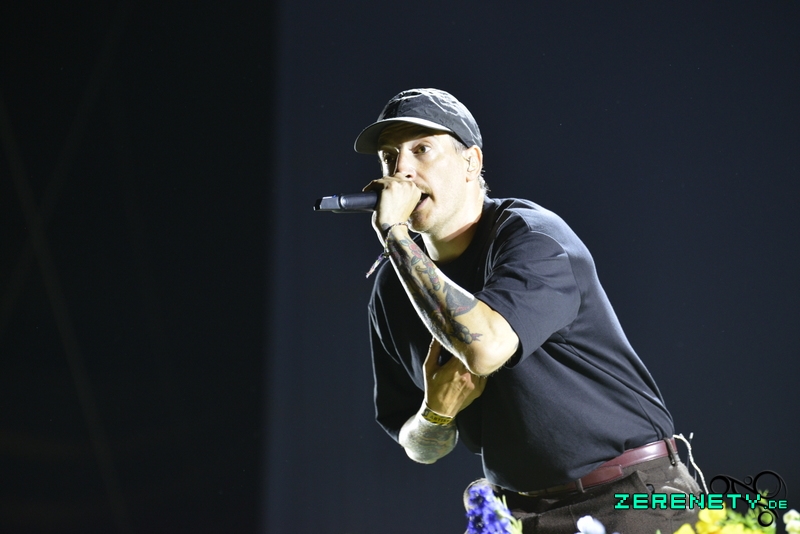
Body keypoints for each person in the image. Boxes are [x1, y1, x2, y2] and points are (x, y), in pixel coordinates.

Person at [356, 88, 700, 533]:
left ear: (471, 162)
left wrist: (395, 236)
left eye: (422, 149)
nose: (401, 170)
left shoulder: (532, 237)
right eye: (389, 156)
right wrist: (434, 414)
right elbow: (420, 447)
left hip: (629, 498)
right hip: (519, 514)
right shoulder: (394, 287)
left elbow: (486, 350)